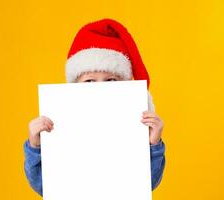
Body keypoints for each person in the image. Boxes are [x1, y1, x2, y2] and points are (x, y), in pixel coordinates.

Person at [23, 18, 166, 196]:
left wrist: (154, 143)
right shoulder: (62, 125)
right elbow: (43, 186)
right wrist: (35, 146)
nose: (100, 88)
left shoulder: (133, 125)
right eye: (89, 80)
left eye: (111, 80)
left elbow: (148, 184)